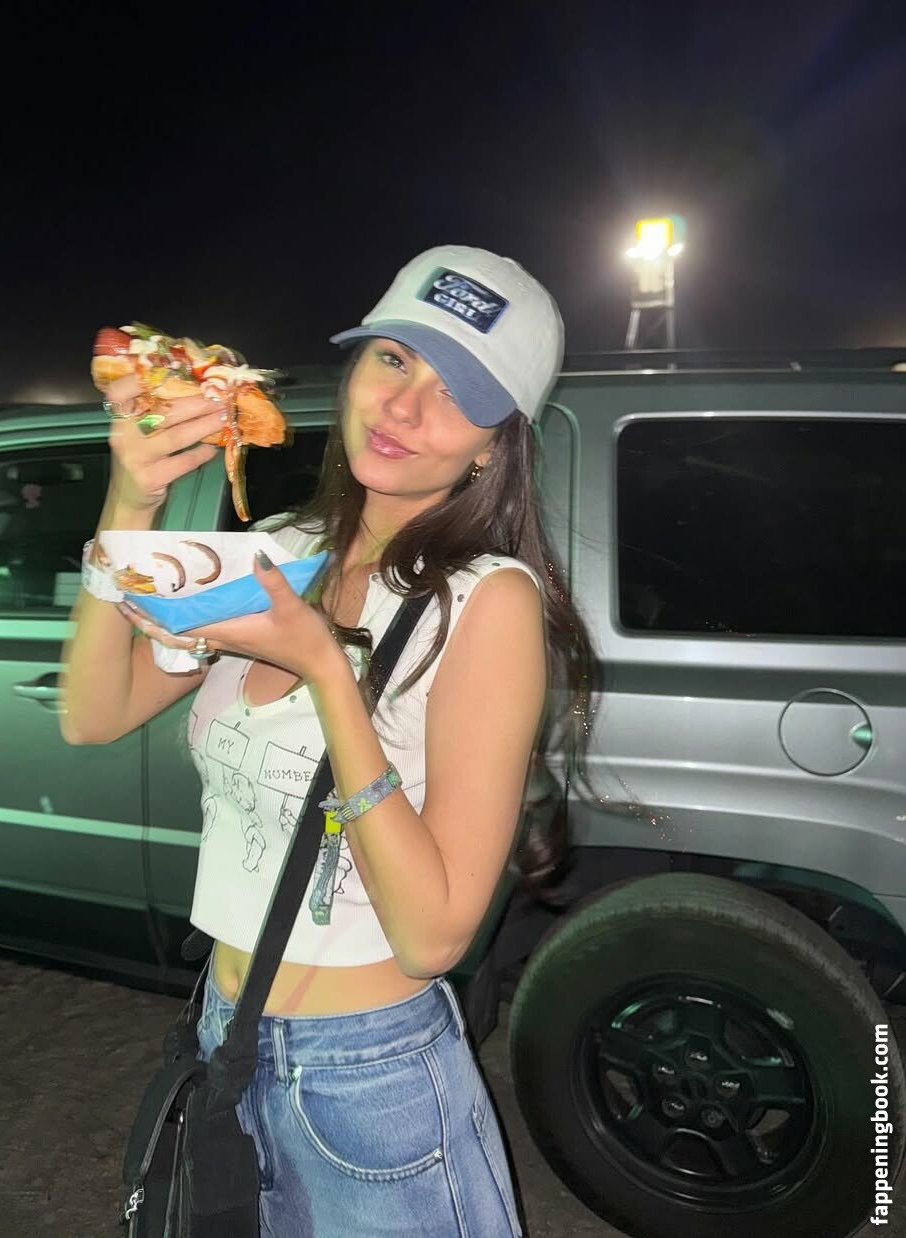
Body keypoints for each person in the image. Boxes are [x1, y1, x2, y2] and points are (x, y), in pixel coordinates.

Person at [60, 245, 595, 1237]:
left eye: (457, 392)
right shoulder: (280, 552)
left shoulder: (488, 604)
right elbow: (92, 715)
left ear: (495, 447)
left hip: (371, 1078)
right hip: (228, 1033)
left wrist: (327, 672)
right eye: (394, 359)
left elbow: (434, 936)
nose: (404, 407)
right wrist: (130, 500)